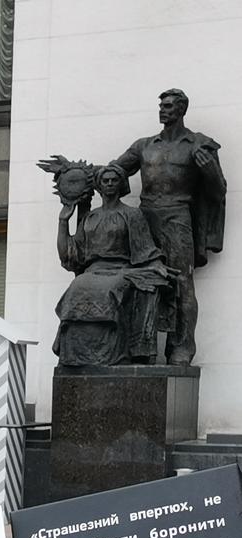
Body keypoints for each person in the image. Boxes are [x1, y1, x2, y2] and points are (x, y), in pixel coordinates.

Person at [113, 88, 227, 366]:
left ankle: (182, 348)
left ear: (182, 110)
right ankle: (137, 346)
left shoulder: (197, 145)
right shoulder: (144, 145)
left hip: (177, 216)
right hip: (144, 218)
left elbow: (218, 190)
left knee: (182, 282)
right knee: (137, 280)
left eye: (169, 106)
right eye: (161, 105)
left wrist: (209, 170)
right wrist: (75, 173)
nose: (163, 110)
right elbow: (114, 172)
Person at [53, 163, 173, 367]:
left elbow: (146, 248)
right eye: (105, 181)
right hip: (92, 272)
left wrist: (157, 265)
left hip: (121, 270)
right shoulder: (91, 217)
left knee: (109, 291)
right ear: (99, 186)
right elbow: (70, 255)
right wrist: (63, 221)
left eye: (113, 180)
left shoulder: (132, 215)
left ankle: (112, 354)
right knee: (75, 288)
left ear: (121, 184)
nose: (109, 184)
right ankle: (76, 355)